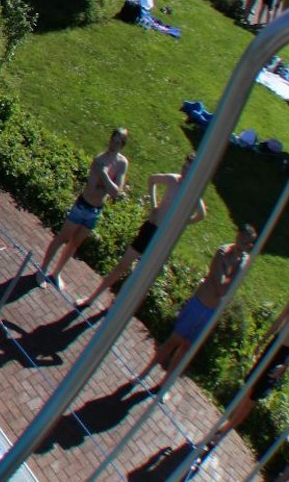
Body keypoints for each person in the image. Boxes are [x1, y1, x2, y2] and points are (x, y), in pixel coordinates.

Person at [201, 270, 289, 454]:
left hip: (284, 353)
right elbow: (282, 316)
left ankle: (224, 432)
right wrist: (263, 340)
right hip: (274, 345)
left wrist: (286, 364)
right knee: (249, 387)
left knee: (253, 399)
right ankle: (224, 424)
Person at [79, 153, 205, 310]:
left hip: (163, 238)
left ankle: (116, 305)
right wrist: (154, 206)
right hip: (151, 228)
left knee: (139, 275)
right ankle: (92, 298)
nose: (184, 172)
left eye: (189, 170)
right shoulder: (173, 180)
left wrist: (183, 222)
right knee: (122, 265)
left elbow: (201, 214)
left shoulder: (193, 193)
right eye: (184, 168)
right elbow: (152, 180)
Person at [136, 227, 254, 389]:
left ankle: (165, 384)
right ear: (237, 235)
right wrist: (236, 272)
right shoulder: (222, 253)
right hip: (199, 304)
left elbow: (227, 289)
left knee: (186, 348)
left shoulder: (244, 261)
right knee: (174, 340)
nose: (242, 244)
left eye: (247, 243)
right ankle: (146, 371)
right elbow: (221, 289)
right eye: (242, 239)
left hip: (211, 312)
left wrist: (236, 273)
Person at [39, 128, 130, 292]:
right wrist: (109, 184)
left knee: (74, 244)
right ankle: (43, 269)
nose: (113, 144)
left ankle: (56, 273)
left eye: (118, 142)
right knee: (62, 238)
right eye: (112, 140)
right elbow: (93, 189)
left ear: (122, 145)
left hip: (95, 212)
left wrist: (104, 176)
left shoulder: (122, 163)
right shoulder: (99, 160)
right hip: (82, 206)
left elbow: (117, 192)